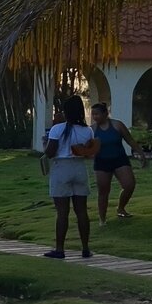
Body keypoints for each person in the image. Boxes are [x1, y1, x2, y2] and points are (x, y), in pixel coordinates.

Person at [43, 94, 98, 259]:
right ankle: (85, 248)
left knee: (62, 212)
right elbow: (89, 152)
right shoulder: (87, 130)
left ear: (65, 112)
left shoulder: (57, 129)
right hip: (79, 168)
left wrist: (45, 143)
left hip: (62, 168)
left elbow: (50, 153)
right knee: (82, 211)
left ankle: (60, 249)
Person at [90, 102, 139, 225]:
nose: (95, 117)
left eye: (97, 114)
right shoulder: (92, 129)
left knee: (129, 185)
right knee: (103, 191)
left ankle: (121, 208)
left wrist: (141, 154)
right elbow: (88, 148)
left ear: (105, 113)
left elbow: (130, 140)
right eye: (93, 114)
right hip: (102, 162)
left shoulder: (117, 125)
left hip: (120, 160)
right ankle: (102, 219)